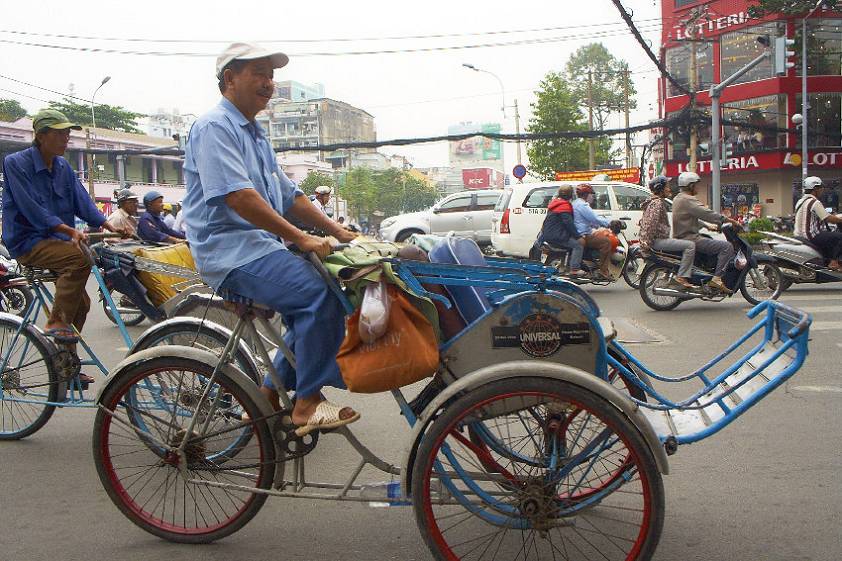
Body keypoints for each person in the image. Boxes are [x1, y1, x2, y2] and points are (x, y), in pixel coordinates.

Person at [182, 41, 359, 435]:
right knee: (318, 295)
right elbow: (239, 197)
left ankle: (266, 395)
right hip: (229, 252)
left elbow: (290, 196)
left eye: (271, 75)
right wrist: (302, 238)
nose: (268, 82)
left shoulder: (256, 135)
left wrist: (337, 231)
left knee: (329, 289)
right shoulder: (214, 127)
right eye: (258, 73)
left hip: (258, 247)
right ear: (230, 78)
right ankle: (307, 402)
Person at [1, 108, 129, 371]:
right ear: (41, 135)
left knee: (82, 303)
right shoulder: (16, 163)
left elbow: (82, 202)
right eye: (60, 134)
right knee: (80, 257)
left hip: (57, 241)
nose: (66, 139)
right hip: (28, 241)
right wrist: (70, 231)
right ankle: (56, 321)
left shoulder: (62, 167)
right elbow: (32, 209)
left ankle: (65, 363)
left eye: (67, 134)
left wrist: (108, 225)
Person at [672, 172, 742, 293]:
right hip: (690, 239)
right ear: (691, 186)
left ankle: (705, 272)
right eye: (697, 185)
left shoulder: (678, 198)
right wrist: (730, 220)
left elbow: (688, 217)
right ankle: (717, 278)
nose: (698, 187)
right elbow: (706, 213)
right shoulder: (688, 200)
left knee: (708, 238)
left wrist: (707, 226)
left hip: (682, 237)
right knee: (727, 247)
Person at [639, 176, 696, 290]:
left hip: (656, 240)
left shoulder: (652, 202)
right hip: (657, 242)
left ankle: (669, 273)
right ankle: (681, 277)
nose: (669, 189)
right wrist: (646, 243)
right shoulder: (657, 204)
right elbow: (650, 225)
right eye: (667, 186)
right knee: (690, 246)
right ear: (660, 188)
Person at [794, 176, 842, 271]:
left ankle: (826, 261)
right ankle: (834, 262)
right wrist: (839, 220)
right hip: (812, 234)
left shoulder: (800, 201)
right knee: (840, 237)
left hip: (799, 235)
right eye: (820, 188)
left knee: (830, 237)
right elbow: (828, 218)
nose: (822, 190)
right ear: (815, 189)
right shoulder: (814, 202)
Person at [535, 185, 584, 276]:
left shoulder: (555, 204)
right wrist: (578, 236)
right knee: (578, 245)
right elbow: (569, 224)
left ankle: (567, 265)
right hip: (557, 235)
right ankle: (575, 269)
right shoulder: (564, 206)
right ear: (571, 195)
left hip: (548, 234)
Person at [571, 183, 612, 280]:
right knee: (607, 242)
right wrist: (610, 223)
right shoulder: (582, 205)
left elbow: (589, 220)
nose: (592, 197)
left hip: (582, 232)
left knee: (601, 235)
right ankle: (603, 271)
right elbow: (594, 218)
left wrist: (599, 225)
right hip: (584, 235)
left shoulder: (576, 203)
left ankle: (594, 262)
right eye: (591, 194)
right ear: (586, 195)